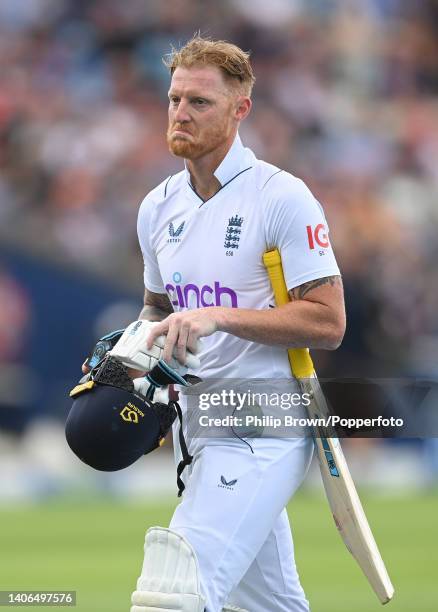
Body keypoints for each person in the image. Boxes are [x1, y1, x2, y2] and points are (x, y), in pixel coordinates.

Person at [130, 36, 346, 612]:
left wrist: (218, 316)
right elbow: (157, 307)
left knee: (172, 591)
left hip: (263, 420)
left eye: (199, 102)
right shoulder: (157, 208)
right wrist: (134, 354)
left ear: (239, 109)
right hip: (196, 426)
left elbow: (328, 322)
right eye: (174, 99)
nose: (180, 113)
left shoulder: (282, 197)